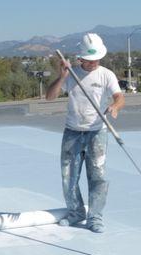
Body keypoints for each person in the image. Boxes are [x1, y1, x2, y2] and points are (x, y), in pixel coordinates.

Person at [46, 33, 125, 233]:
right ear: (80, 58)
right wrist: (62, 76)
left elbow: (119, 97)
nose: (92, 63)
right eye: (89, 60)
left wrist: (115, 107)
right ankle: (76, 212)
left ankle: (95, 217)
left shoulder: (106, 74)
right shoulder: (71, 74)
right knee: (69, 176)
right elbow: (49, 97)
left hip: (96, 132)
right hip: (72, 132)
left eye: (96, 59)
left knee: (97, 176)